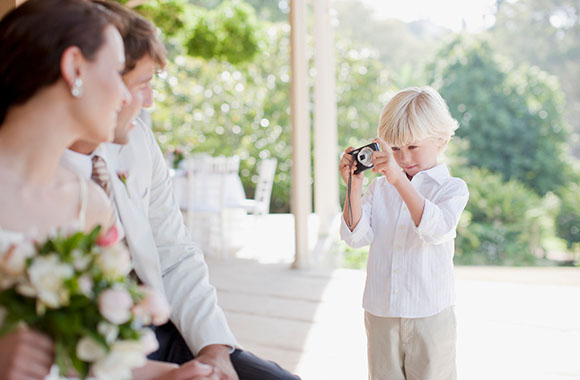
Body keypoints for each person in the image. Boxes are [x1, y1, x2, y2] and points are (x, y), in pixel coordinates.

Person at [61, 2, 300, 379]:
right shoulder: (43, 173)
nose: (146, 102)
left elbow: (175, 252)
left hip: (160, 328)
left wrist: (214, 349)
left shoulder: (136, 141)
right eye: (143, 84)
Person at [0, 2, 214, 379]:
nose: (127, 96)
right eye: (117, 72)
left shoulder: (90, 204)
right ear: (74, 68)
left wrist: (166, 376)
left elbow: (94, 359)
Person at [339, 86, 469, 380]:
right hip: (381, 312)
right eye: (394, 148)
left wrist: (399, 181)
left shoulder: (451, 189)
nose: (404, 157)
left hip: (430, 314)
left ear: (441, 140)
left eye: (413, 147)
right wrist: (354, 187)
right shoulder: (379, 188)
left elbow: (436, 230)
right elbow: (355, 237)